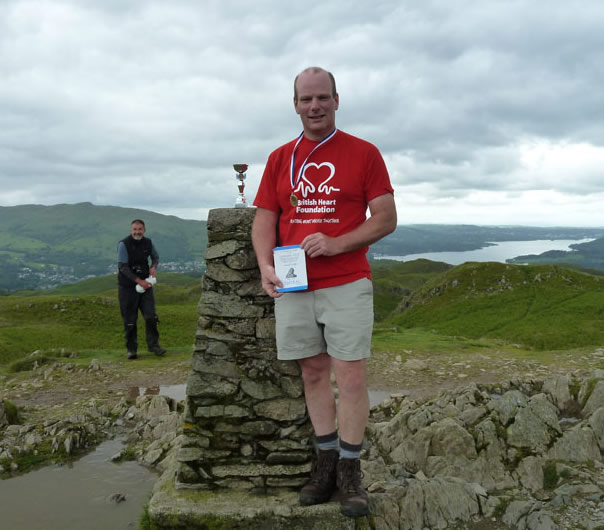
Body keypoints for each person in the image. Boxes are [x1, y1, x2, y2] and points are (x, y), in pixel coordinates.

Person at [251, 66, 397, 517]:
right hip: (294, 286)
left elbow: (385, 218)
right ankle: (326, 463)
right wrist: (264, 266)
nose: (314, 106)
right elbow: (264, 219)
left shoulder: (364, 153)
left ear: (337, 100)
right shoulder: (279, 158)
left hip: (347, 281)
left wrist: (337, 243)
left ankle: (351, 473)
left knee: (350, 378)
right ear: (295, 105)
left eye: (322, 98)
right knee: (313, 374)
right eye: (305, 99)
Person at [117, 219, 166, 360]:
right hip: (127, 288)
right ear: (131, 230)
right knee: (130, 320)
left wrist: (153, 267)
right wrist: (139, 281)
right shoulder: (123, 244)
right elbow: (123, 267)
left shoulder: (148, 242)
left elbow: (155, 257)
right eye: (135, 229)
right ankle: (131, 350)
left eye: (140, 229)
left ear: (144, 230)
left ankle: (154, 345)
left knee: (151, 316)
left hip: (146, 285)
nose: (137, 232)